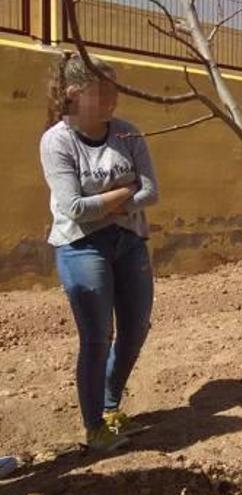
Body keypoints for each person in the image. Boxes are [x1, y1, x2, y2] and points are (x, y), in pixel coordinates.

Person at [40, 53, 160, 452]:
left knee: (135, 330)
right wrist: (126, 193)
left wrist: (108, 201)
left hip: (130, 243)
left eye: (115, 89)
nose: (114, 98)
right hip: (81, 245)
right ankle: (94, 427)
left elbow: (152, 192)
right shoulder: (58, 141)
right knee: (97, 338)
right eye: (104, 91)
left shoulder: (128, 133)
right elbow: (74, 208)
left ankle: (111, 407)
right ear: (75, 95)